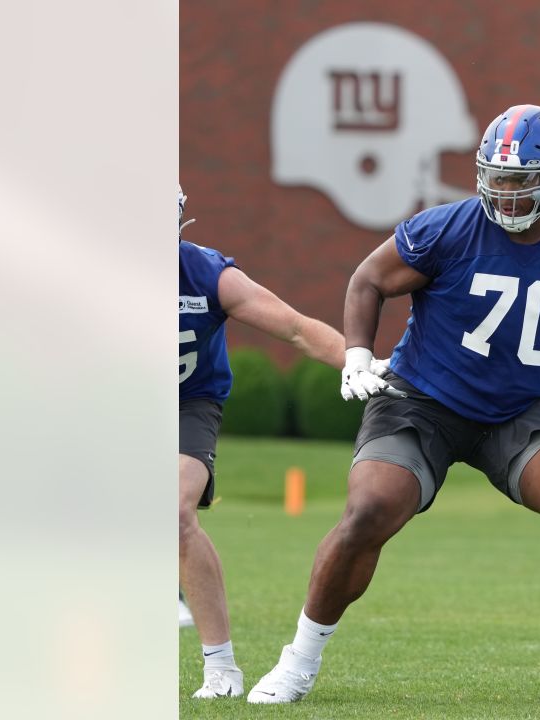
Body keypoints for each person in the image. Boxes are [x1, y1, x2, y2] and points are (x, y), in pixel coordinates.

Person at [246, 105, 540, 711]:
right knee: (369, 510)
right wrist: (357, 353)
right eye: (498, 178)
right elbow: (367, 279)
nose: (508, 194)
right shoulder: (447, 228)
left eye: (522, 181)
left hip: (517, 411)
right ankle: (297, 662)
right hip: (422, 402)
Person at [177, 185, 395, 698]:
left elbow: (296, 329)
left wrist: (360, 361)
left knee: (174, 512)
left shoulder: (208, 274)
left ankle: (221, 668)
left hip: (188, 403)